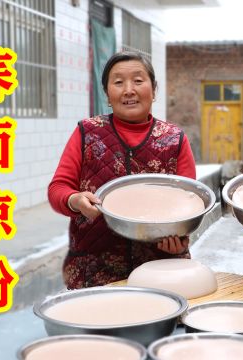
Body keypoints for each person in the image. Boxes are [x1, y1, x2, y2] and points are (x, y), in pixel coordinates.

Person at [48, 51, 196, 289]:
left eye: (138, 81)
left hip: (159, 269)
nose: (129, 90)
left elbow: (189, 202)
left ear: (154, 90)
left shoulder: (174, 139)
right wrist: (74, 200)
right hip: (94, 270)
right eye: (118, 82)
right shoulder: (87, 133)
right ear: (107, 94)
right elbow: (58, 188)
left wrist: (180, 240)